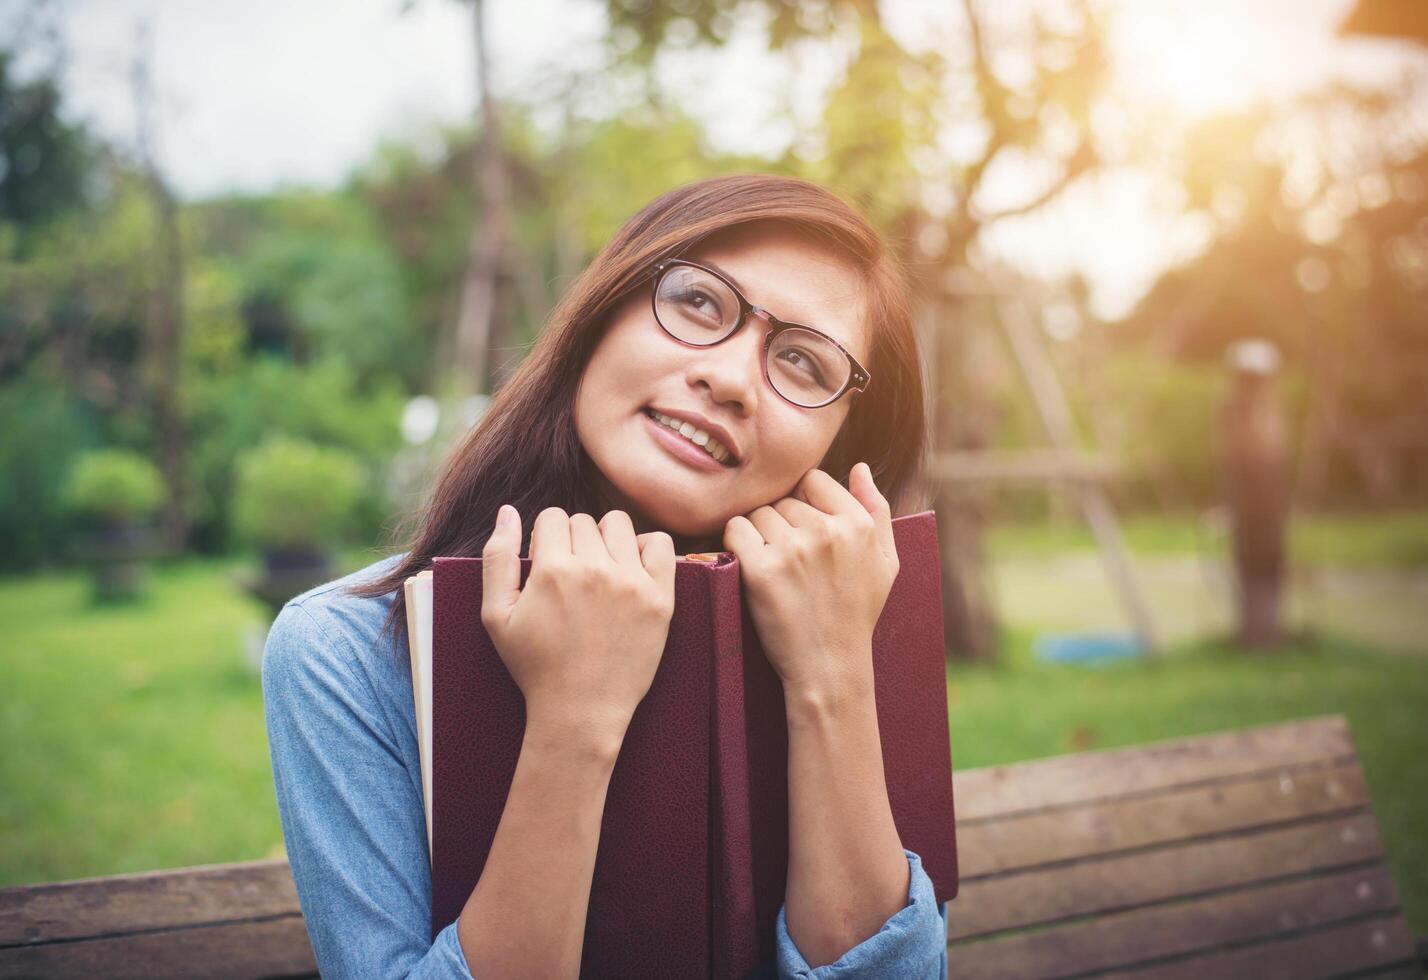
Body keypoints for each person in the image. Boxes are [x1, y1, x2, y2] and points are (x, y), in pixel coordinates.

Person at [261, 172, 948, 978]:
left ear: (841, 448)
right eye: (699, 303)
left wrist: (832, 673)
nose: (727, 379)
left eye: (801, 361)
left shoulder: (859, 624)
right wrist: (574, 721)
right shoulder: (342, 652)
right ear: (603, 310)